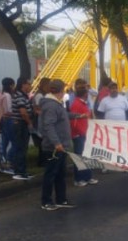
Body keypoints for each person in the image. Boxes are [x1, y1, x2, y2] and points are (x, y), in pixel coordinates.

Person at [39, 79, 75, 210]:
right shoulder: (51, 105)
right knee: (51, 174)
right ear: (60, 90)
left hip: (61, 146)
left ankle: (61, 199)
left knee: (60, 173)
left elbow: (64, 116)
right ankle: (46, 201)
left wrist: (78, 115)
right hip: (54, 147)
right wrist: (56, 143)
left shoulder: (56, 104)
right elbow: (49, 125)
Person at [69, 79, 98, 187]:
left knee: (86, 156)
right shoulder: (76, 104)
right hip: (79, 134)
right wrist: (77, 132)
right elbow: (73, 121)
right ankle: (78, 178)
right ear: (85, 94)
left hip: (85, 132)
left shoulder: (82, 103)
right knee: (80, 156)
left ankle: (87, 176)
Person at [10, 77, 35, 181]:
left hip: (21, 124)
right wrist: (29, 123)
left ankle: (22, 171)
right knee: (20, 148)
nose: (30, 86)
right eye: (29, 84)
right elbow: (23, 112)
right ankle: (19, 171)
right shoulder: (20, 96)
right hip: (20, 124)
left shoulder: (23, 96)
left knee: (22, 148)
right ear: (23, 85)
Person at [0, 78, 16, 174]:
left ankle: (2, 163)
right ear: (10, 85)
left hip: (2, 120)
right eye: (13, 85)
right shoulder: (8, 96)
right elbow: (9, 110)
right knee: (15, 142)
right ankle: (8, 163)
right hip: (9, 119)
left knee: (4, 143)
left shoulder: (1, 94)